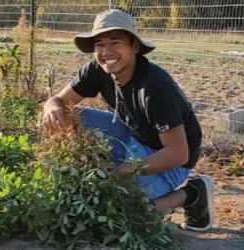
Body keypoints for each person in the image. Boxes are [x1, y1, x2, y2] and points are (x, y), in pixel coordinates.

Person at [42, 9, 214, 231]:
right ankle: (89, 167)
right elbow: (59, 101)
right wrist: (51, 106)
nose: (107, 51)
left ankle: (192, 194)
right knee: (62, 115)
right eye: (100, 44)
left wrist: (121, 171)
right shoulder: (97, 68)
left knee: (122, 213)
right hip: (132, 134)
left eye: (115, 42)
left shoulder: (154, 88)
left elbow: (177, 153)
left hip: (169, 158)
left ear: (134, 46)